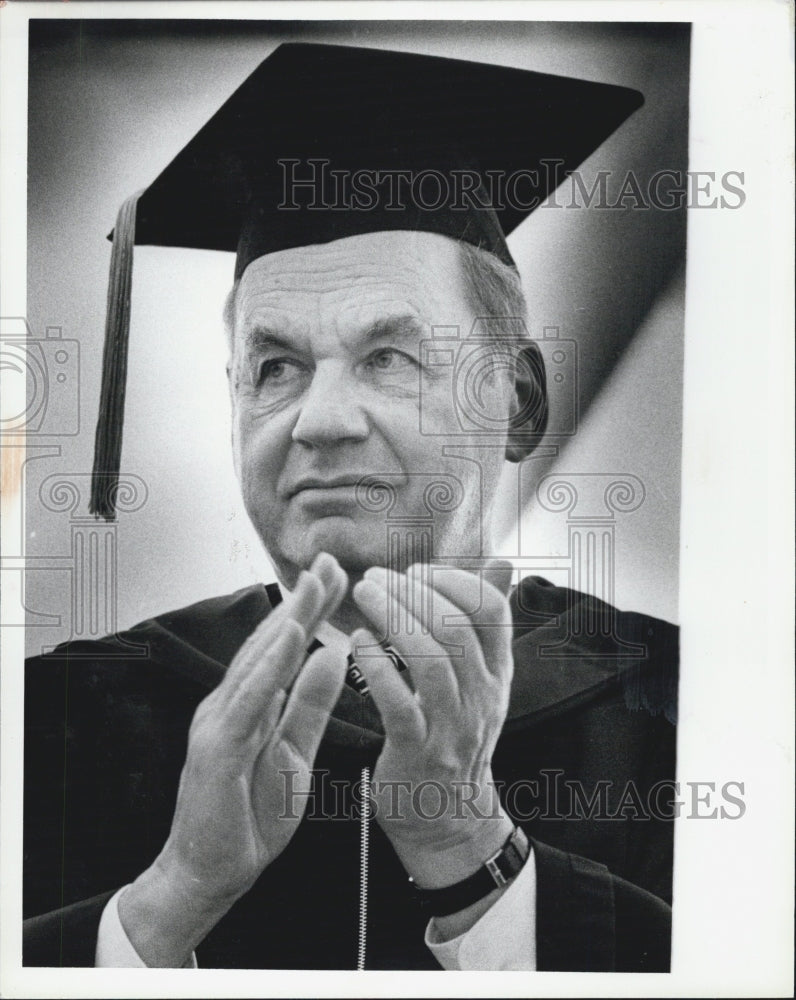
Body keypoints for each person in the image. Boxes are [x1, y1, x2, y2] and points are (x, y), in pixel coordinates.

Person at [23, 42, 677, 971]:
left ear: (519, 403)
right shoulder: (62, 716)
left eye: (388, 359)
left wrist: (472, 855)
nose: (318, 421)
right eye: (275, 368)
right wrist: (171, 900)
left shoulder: (677, 713)